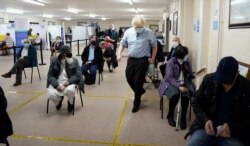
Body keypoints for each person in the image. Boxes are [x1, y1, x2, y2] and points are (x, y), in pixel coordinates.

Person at [186, 56, 250, 146]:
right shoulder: (209, 79)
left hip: (233, 134)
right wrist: (206, 120)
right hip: (205, 129)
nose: (224, 83)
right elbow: (196, 101)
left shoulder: (246, 87)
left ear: (236, 74)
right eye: (221, 79)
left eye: (227, 81)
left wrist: (232, 128)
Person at [117, 15, 158, 113]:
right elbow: (122, 44)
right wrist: (119, 54)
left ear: (143, 25)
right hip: (131, 59)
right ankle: (140, 91)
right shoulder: (128, 32)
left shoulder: (149, 33)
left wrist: (152, 58)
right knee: (129, 78)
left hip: (143, 60)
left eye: (140, 27)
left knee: (138, 82)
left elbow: (154, 46)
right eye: (136, 27)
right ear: (133, 25)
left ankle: (136, 103)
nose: (138, 29)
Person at [159, 46, 195, 129]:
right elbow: (169, 77)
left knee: (186, 96)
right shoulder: (171, 62)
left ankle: (183, 117)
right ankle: (170, 115)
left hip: (184, 82)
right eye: (186, 54)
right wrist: (179, 86)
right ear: (181, 55)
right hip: (170, 83)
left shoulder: (187, 62)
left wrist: (193, 75)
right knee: (175, 95)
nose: (187, 56)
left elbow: (189, 73)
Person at [47, 45, 84, 113]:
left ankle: (70, 103)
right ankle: (58, 102)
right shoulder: (54, 61)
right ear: (63, 54)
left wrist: (69, 82)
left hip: (69, 81)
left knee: (70, 90)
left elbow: (78, 74)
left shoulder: (74, 60)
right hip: (57, 81)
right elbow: (50, 75)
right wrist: (56, 85)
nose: (70, 54)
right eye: (68, 52)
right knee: (51, 95)